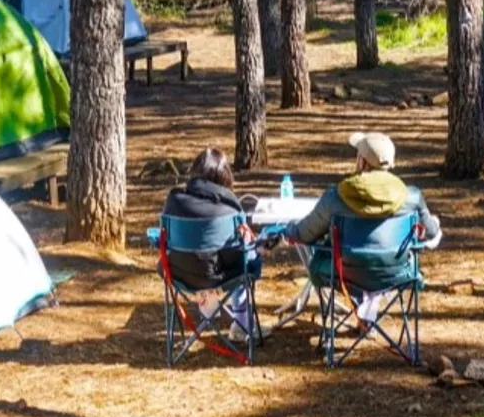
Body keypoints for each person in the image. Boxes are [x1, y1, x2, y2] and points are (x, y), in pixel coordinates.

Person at [282, 132, 442, 291]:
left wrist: (285, 230)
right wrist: (434, 221)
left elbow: (304, 234)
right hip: (397, 274)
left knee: (317, 264)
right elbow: (431, 232)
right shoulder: (411, 197)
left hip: (343, 273)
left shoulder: (335, 197)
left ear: (362, 162)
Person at [160, 148, 262, 341]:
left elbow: (163, 240)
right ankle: (242, 324)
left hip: (179, 274)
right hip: (219, 276)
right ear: (225, 177)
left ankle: (213, 317)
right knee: (246, 261)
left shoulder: (174, 201)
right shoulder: (230, 210)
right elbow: (239, 253)